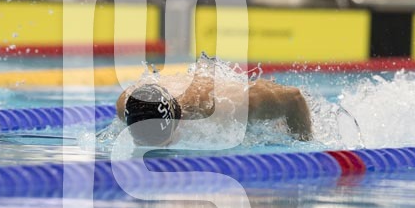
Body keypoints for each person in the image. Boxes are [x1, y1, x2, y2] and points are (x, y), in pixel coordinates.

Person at [116, 62, 313, 146]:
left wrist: (303, 142)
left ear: (178, 121)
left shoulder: (230, 105)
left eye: (164, 143)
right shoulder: (128, 104)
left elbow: (294, 98)